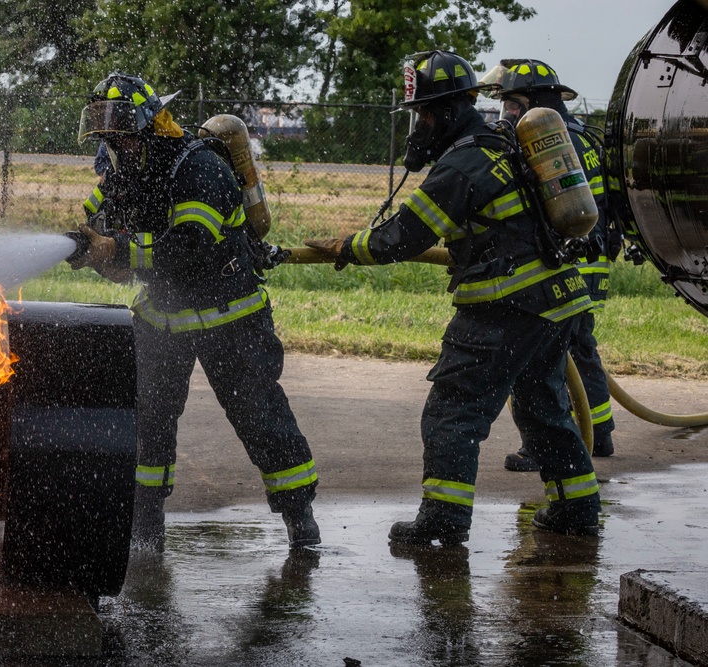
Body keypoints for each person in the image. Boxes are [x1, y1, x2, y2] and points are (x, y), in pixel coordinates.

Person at [304, 50, 601, 544]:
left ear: (444, 110)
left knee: (453, 410)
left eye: (422, 114)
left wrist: (345, 247)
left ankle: (444, 520)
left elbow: (403, 236)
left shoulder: (463, 163)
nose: (419, 126)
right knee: (543, 408)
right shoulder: (499, 143)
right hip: (557, 301)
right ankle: (578, 508)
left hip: (504, 306)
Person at [68, 73, 320, 551]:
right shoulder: (126, 173)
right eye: (106, 135)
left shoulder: (199, 169)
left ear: (147, 126)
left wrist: (117, 252)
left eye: (119, 132)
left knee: (257, 413)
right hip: (162, 319)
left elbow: (190, 248)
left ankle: (299, 518)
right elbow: (98, 226)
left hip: (231, 316)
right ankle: (144, 524)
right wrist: (90, 248)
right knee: (148, 419)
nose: (113, 143)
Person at [480, 59, 618, 471]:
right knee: (579, 350)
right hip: (590, 261)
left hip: (565, 263)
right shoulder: (582, 137)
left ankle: (549, 445)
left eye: (513, 104)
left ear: (535, 102)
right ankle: (600, 433)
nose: (508, 114)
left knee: (547, 357)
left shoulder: (550, 141)